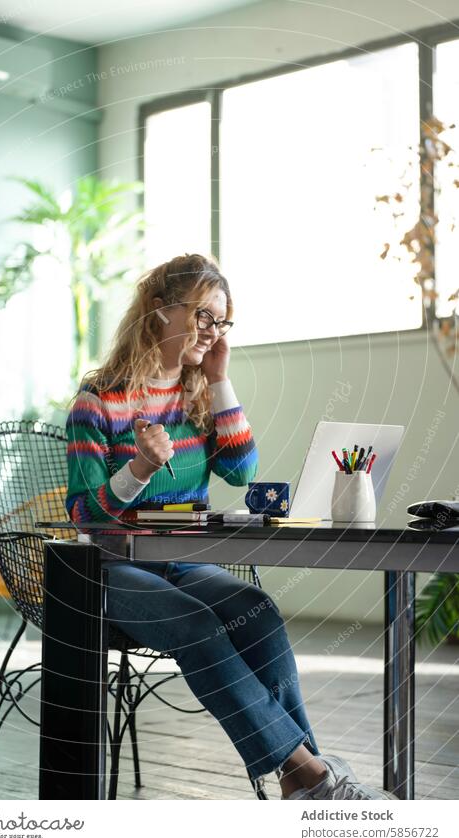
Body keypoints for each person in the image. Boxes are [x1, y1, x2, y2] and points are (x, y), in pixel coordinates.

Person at [65, 252, 397, 801]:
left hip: (184, 562)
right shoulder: (98, 401)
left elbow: (242, 472)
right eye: (202, 316)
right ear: (158, 310)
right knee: (198, 624)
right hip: (110, 567)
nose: (211, 331)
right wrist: (140, 468)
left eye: (220, 321)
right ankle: (314, 780)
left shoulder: (197, 395)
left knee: (258, 611)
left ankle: (307, 782)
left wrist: (220, 382)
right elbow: (84, 514)